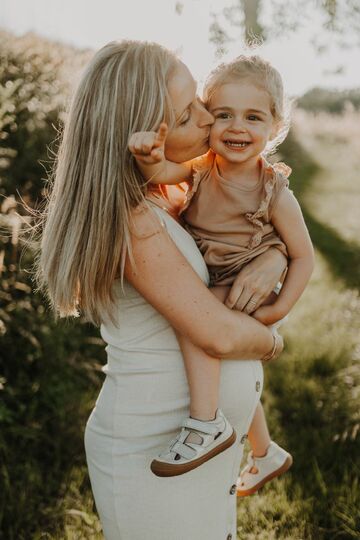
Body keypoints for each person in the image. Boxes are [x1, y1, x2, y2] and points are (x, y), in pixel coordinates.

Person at [36, 40, 288, 540]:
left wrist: (275, 254)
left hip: (197, 448)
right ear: (146, 129)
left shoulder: (162, 194)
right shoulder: (131, 221)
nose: (207, 118)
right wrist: (273, 343)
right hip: (155, 442)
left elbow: (240, 226)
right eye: (189, 111)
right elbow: (215, 334)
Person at [129, 55, 314, 493]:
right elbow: (161, 174)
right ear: (207, 119)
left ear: (275, 125)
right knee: (227, 361)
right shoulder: (201, 169)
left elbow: (304, 256)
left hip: (248, 285)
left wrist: (277, 311)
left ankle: (205, 422)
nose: (237, 127)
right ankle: (266, 452)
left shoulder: (273, 191)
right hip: (218, 279)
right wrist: (148, 157)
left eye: (253, 117)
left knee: (198, 325)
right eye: (224, 114)